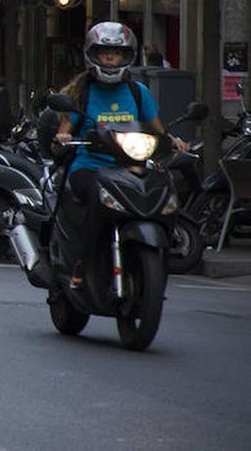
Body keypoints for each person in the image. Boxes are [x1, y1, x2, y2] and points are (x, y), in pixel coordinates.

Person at [53, 21, 188, 288]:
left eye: (116, 53)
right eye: (104, 53)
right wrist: (64, 137)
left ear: (127, 57)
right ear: (93, 55)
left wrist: (173, 141)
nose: (110, 58)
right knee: (94, 199)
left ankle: (160, 252)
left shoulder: (139, 93)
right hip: (89, 167)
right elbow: (64, 129)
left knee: (166, 193)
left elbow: (157, 129)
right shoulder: (83, 93)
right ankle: (82, 260)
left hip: (131, 168)